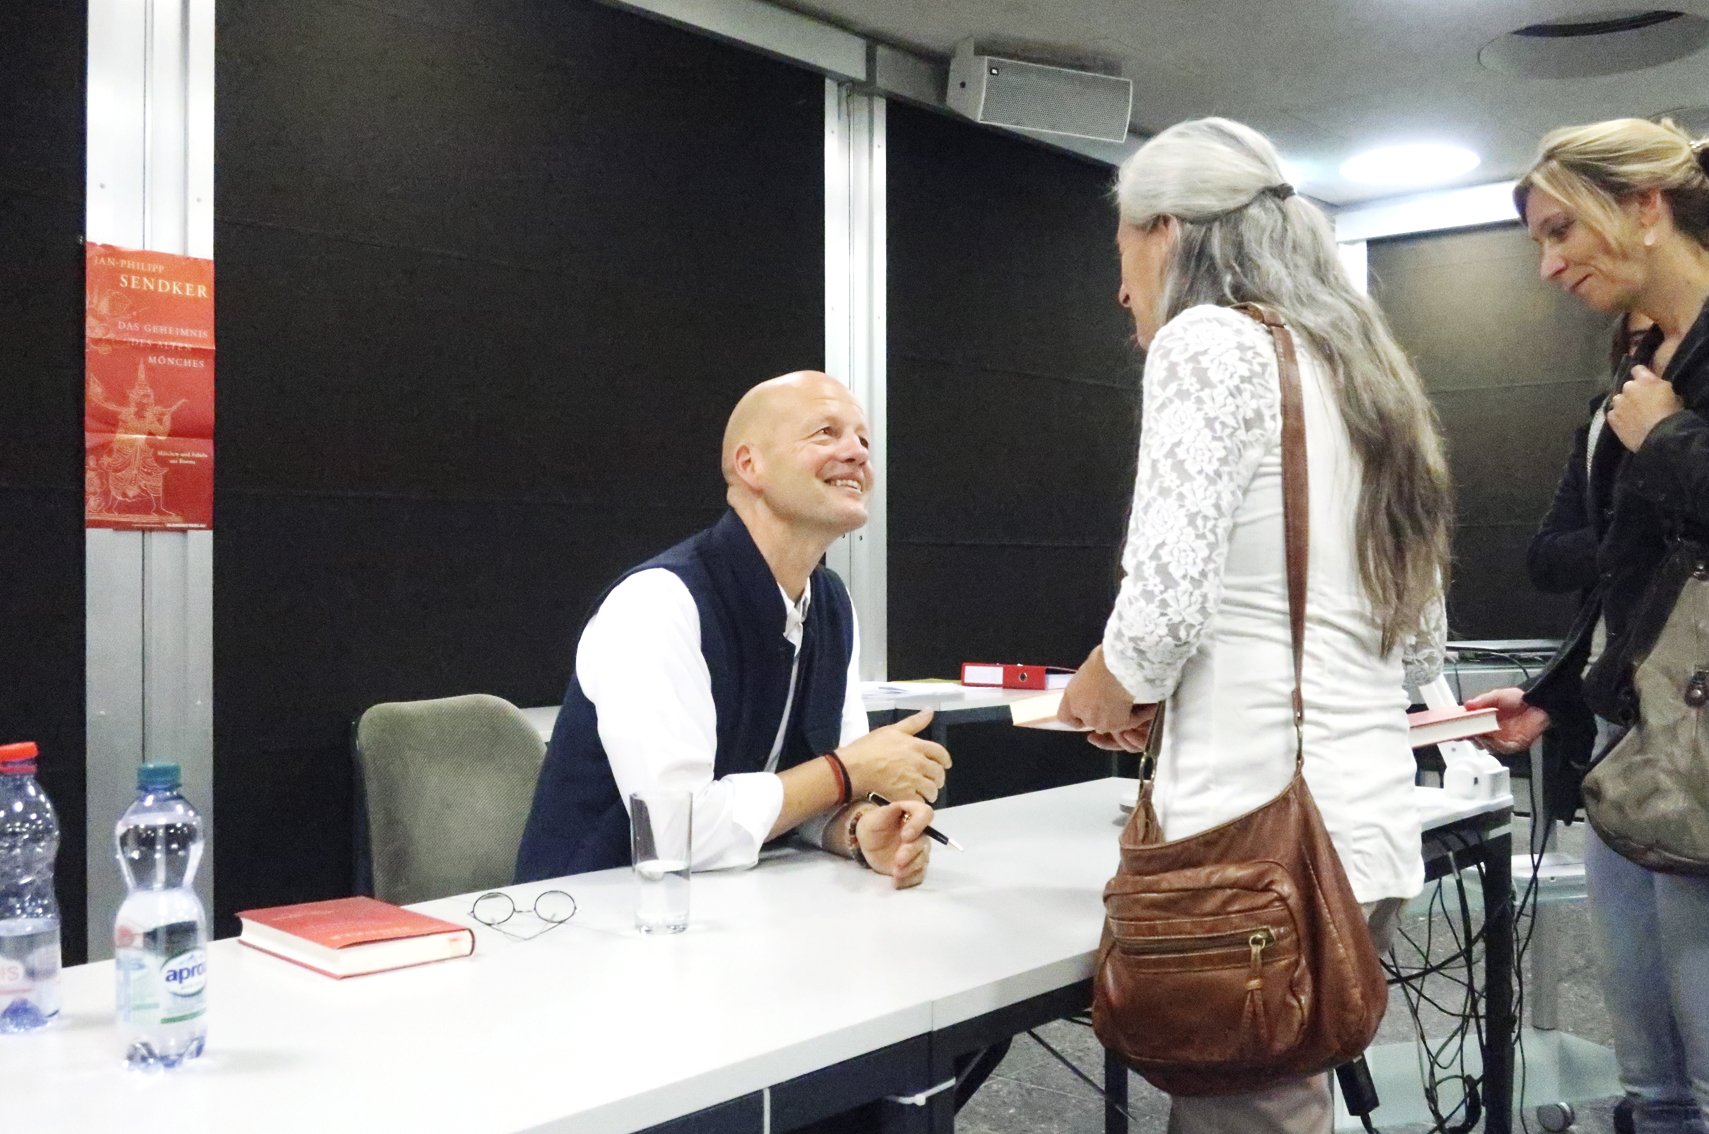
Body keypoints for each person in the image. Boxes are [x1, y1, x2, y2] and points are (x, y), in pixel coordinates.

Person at [1056, 117, 1454, 1134]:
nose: (1120, 291)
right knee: (1282, 1109)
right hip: (1362, 837)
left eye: (1123, 255)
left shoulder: (1210, 342)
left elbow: (1159, 614)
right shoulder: (1365, 375)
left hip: (1250, 850)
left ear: (1171, 233)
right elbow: (1419, 645)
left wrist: (1102, 687)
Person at [1469, 117, 1709, 1134]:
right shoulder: (1630, 377)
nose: (1546, 264)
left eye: (1559, 231)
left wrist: (1666, 441)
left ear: (1645, 207)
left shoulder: (1656, 403)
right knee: (1650, 1066)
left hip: (1699, 748)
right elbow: (1606, 570)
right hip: (1628, 732)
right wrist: (1553, 696)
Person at [515, 370, 950, 888]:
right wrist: (846, 772)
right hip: (594, 921)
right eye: (825, 433)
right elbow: (672, 832)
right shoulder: (658, 604)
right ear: (750, 465)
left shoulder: (832, 606)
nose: (857, 453)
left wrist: (856, 828)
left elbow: (807, 793)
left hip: (739, 916)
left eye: (863, 440)